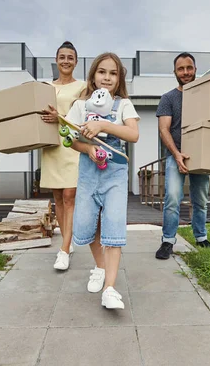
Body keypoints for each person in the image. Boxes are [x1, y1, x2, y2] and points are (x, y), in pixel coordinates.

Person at [65, 52, 140, 309]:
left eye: (113, 73)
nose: (107, 77)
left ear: (119, 79)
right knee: (87, 224)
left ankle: (110, 287)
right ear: (93, 76)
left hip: (115, 176)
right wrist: (87, 149)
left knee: (114, 223)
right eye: (102, 72)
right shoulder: (80, 106)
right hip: (88, 174)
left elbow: (133, 134)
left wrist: (103, 127)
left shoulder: (123, 105)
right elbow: (69, 137)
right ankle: (99, 266)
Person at [155, 52, 210, 260]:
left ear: (195, 69)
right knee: (172, 198)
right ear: (175, 72)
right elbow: (164, 130)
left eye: (189, 68)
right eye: (181, 69)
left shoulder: (206, 95)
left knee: (201, 200)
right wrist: (177, 154)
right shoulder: (168, 98)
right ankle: (168, 241)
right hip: (175, 154)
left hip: (200, 156)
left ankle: (201, 237)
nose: (186, 72)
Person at [40, 41, 87, 271]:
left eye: (70, 57)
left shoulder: (83, 86)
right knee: (58, 197)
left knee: (70, 195)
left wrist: (60, 117)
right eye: (62, 57)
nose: (66, 61)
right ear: (56, 60)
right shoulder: (46, 87)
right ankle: (67, 239)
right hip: (51, 146)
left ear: (76, 62)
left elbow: (84, 116)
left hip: (72, 144)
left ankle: (64, 249)